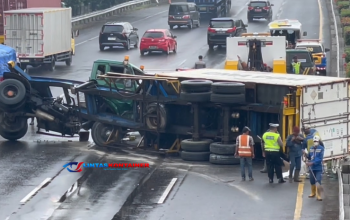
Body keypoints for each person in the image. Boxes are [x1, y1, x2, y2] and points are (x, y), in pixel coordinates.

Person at [306, 135, 324, 201]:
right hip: (312, 168)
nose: (315, 142)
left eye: (316, 141)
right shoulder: (311, 148)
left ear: (318, 141)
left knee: (318, 180)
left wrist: (312, 163)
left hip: (318, 167)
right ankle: (313, 193)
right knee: (312, 181)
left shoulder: (321, 148)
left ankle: (318, 195)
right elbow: (309, 156)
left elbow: (320, 158)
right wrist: (307, 158)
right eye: (314, 141)